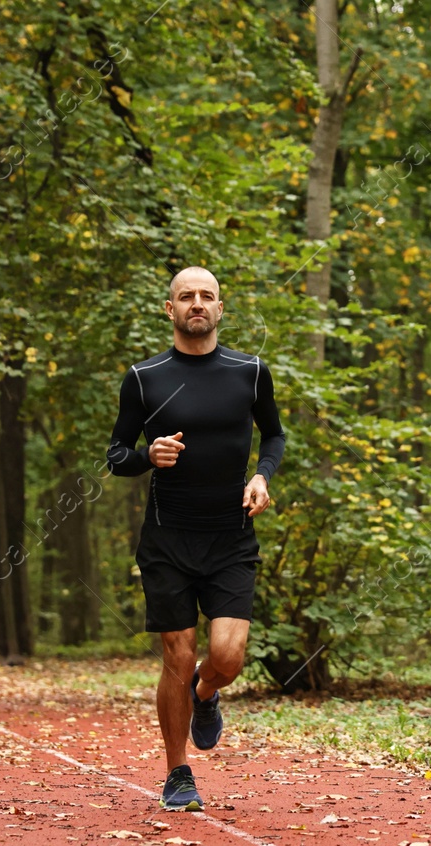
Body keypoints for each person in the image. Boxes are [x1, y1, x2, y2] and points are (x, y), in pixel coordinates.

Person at [106, 266, 285, 811]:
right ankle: (177, 772)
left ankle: (206, 696)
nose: (197, 304)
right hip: (168, 540)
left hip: (231, 536)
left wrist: (262, 475)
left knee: (226, 658)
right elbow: (116, 456)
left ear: (221, 308)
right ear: (170, 310)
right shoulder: (145, 377)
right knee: (177, 657)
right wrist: (146, 457)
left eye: (207, 296)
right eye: (187, 297)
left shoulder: (250, 371)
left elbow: (273, 433)